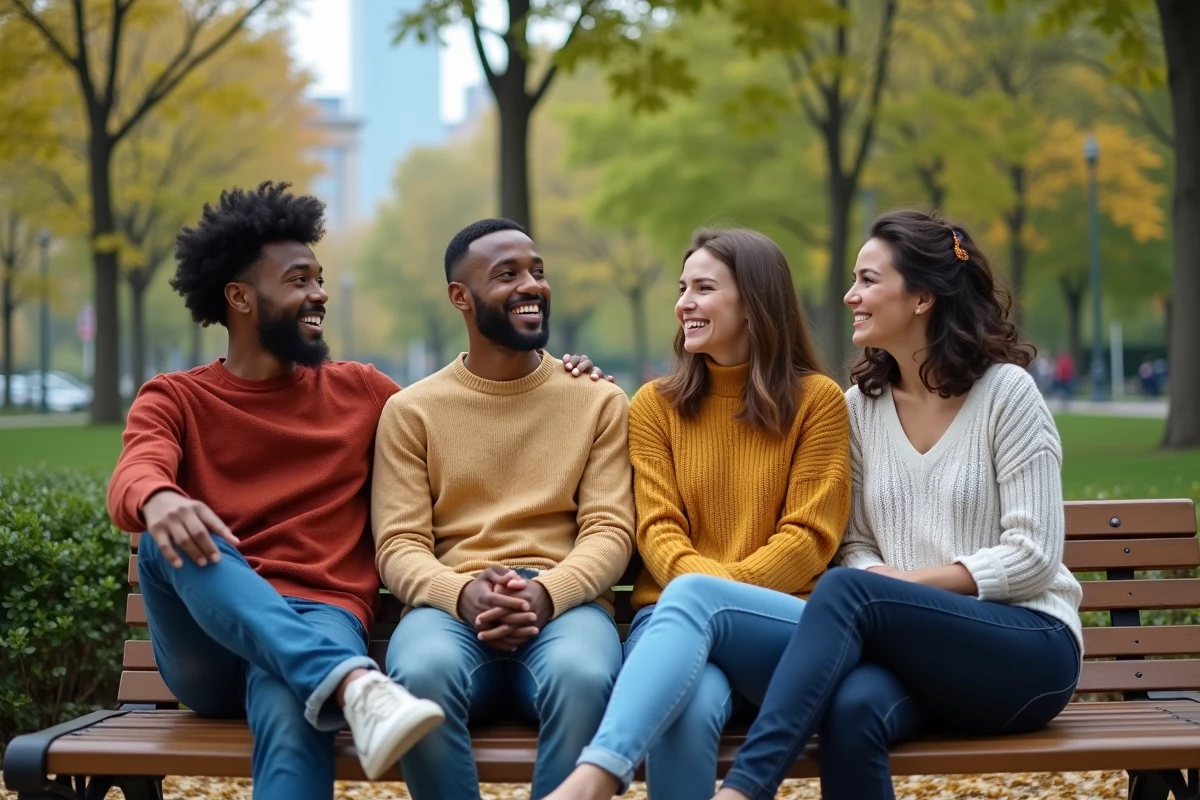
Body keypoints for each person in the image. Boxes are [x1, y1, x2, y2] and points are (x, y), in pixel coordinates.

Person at [106, 183, 605, 799]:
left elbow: (470, 404)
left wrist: (562, 374)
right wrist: (158, 499)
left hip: (320, 621)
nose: (319, 294)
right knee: (170, 535)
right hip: (208, 646)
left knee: (295, 702)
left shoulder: (365, 393)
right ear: (239, 297)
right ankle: (349, 683)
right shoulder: (177, 397)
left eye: (319, 278)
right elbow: (135, 473)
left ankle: (333, 680)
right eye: (298, 281)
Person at [706, 210, 1084, 800]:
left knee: (848, 592)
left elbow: (1034, 555)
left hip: (1027, 649)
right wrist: (887, 590)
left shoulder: (1007, 394)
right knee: (853, 709)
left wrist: (900, 588)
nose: (850, 294)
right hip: (915, 654)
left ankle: (745, 787)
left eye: (868, 279)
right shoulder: (860, 408)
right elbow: (854, 543)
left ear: (923, 297)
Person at [543, 227, 852, 800]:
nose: (684, 302)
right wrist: (703, 599)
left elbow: (810, 537)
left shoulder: (818, 402)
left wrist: (709, 595)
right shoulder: (655, 406)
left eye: (703, 288)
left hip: (778, 629)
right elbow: (656, 529)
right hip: (668, 632)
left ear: (755, 303)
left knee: (689, 600)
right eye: (683, 288)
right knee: (684, 715)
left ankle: (594, 777)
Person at [371, 218, 637, 800]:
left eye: (538, 272)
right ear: (460, 297)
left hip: (564, 608)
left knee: (585, 676)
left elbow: (610, 530)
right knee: (418, 675)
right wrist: (461, 594)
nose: (531, 285)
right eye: (507, 274)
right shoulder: (412, 411)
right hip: (450, 608)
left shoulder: (597, 401)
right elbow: (398, 545)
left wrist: (547, 592)